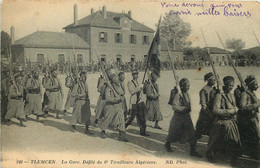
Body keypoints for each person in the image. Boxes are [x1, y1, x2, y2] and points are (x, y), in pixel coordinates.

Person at [207, 76, 240, 163]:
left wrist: (235, 111)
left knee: (234, 141)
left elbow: (234, 108)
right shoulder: (219, 96)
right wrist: (229, 111)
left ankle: (232, 159)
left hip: (231, 122)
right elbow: (215, 110)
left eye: (232, 85)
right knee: (215, 142)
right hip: (221, 121)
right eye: (229, 85)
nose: (231, 87)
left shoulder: (232, 96)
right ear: (225, 85)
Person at [165, 78, 202, 157]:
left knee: (192, 133)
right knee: (173, 134)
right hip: (178, 117)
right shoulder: (178, 95)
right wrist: (183, 109)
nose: (188, 87)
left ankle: (193, 150)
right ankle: (167, 144)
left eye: (189, 86)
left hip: (186, 117)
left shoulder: (187, 94)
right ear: (182, 87)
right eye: (187, 86)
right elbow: (174, 106)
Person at [99, 69, 128, 142]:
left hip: (118, 106)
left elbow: (122, 93)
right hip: (110, 106)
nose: (117, 79)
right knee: (107, 119)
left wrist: (121, 98)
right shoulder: (108, 88)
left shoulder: (119, 86)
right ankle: (103, 131)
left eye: (117, 78)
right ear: (112, 80)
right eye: (115, 79)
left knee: (121, 120)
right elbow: (107, 98)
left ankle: (122, 135)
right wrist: (116, 99)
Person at [237, 75, 260, 160]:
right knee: (254, 136)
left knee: (254, 137)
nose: (257, 86)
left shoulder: (252, 93)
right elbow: (242, 108)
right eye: (255, 84)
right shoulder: (244, 94)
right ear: (250, 85)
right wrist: (255, 105)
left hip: (252, 118)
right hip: (246, 119)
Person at [125, 69, 149, 136]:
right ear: (132, 75)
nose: (136, 75)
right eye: (134, 74)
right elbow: (132, 91)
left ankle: (143, 131)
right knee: (131, 118)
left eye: (137, 74)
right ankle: (123, 128)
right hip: (134, 102)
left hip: (140, 102)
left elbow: (142, 92)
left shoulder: (139, 82)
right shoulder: (130, 82)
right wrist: (139, 87)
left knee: (142, 117)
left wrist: (144, 85)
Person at [195, 72, 216, 139]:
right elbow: (203, 104)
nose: (214, 80)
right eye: (212, 79)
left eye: (214, 78)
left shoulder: (215, 89)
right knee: (201, 128)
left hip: (213, 110)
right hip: (206, 112)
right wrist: (208, 112)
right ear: (208, 80)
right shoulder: (204, 90)